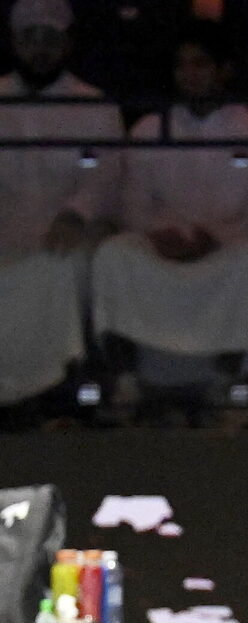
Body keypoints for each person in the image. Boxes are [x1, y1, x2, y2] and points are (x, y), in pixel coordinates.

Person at [91, 21, 248, 420]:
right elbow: (133, 207)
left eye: (200, 64)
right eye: (182, 65)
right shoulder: (148, 129)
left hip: (225, 249)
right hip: (161, 248)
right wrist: (163, 236)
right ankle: (126, 379)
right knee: (113, 253)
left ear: (224, 70)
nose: (190, 74)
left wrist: (213, 238)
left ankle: (225, 381)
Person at [0, 0, 123, 418]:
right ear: (15, 43)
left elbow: (105, 175)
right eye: (30, 39)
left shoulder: (95, 106)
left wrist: (76, 213)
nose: (40, 50)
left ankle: (57, 389)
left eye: (50, 40)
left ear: (67, 45)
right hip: (6, 231)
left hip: (67, 234)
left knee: (62, 267)